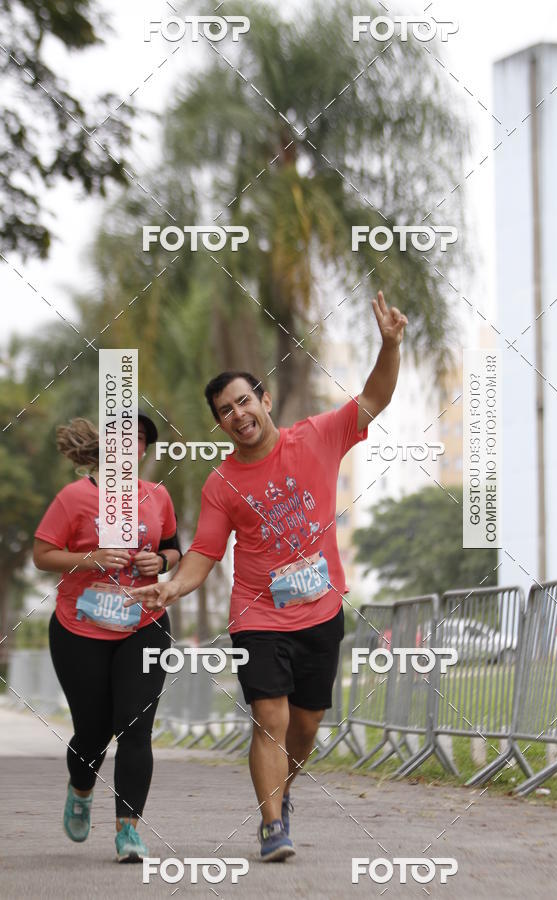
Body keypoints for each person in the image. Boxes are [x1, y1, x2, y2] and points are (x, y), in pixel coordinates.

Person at [129, 291, 407, 861]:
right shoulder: (221, 484)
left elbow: (376, 397)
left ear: (265, 399)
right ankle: (272, 824)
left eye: (242, 401)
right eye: (225, 412)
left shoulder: (320, 436)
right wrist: (172, 585)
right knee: (270, 716)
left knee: (305, 727)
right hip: (258, 612)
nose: (237, 415)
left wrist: (390, 344)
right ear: (221, 424)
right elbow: (204, 554)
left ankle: (283, 794)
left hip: (322, 609)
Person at [33, 413, 182, 862]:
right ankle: (81, 791)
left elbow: (174, 546)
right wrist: (90, 557)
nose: (130, 445)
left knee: (135, 728)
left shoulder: (157, 496)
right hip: (81, 629)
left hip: (143, 624)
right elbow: (43, 555)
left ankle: (128, 832)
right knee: (93, 732)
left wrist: (163, 561)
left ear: (143, 451)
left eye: (139, 440)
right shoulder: (74, 497)